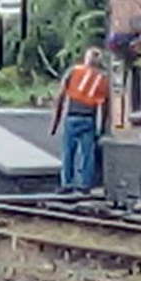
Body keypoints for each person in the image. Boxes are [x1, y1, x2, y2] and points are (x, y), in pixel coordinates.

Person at [50, 47, 111, 194]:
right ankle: (85, 185)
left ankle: (67, 183)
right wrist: (101, 128)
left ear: (86, 59)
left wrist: (55, 123)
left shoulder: (73, 72)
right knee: (87, 153)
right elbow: (104, 105)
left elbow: (60, 97)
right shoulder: (102, 78)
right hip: (89, 119)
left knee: (68, 152)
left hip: (72, 117)